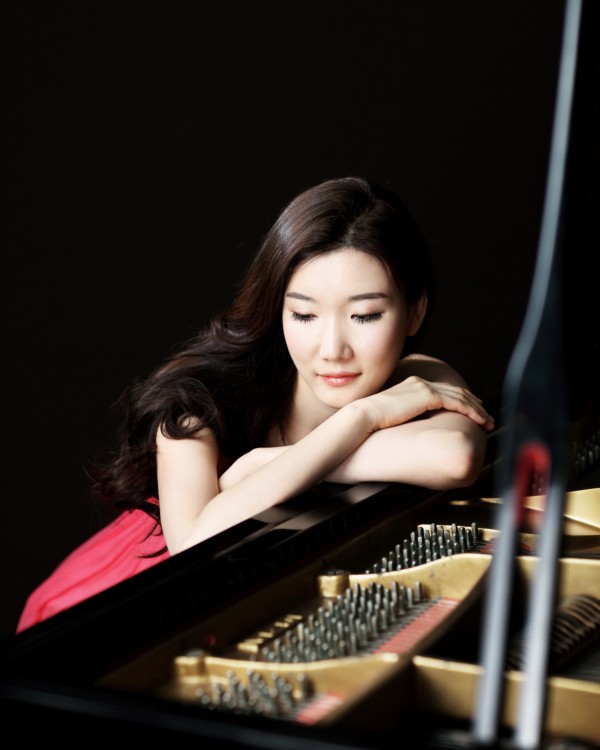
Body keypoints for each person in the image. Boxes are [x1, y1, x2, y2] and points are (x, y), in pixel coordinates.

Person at [16, 176, 494, 632]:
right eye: (304, 314)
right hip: (107, 605)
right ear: (278, 309)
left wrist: (262, 466)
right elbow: (193, 547)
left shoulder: (418, 376)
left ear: (415, 311)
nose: (332, 349)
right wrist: (361, 416)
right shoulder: (198, 402)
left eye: (365, 315)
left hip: (232, 608)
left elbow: (455, 459)